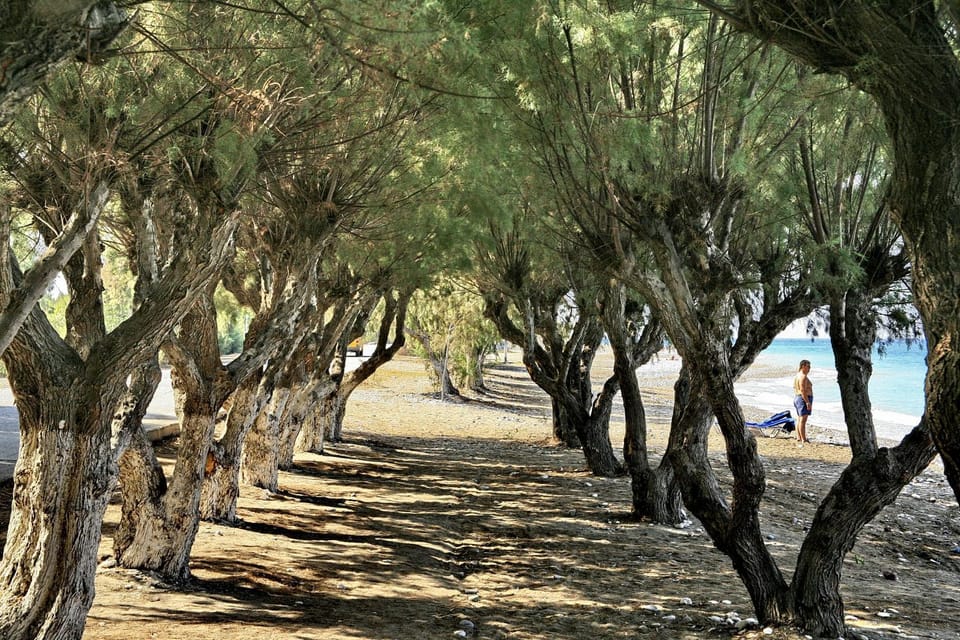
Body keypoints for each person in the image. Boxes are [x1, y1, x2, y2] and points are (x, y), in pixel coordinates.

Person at [793, 359, 813, 443]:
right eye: (808, 366)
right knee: (803, 420)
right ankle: (804, 439)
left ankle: (799, 437)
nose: (809, 368)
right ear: (803, 366)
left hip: (798, 398)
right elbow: (802, 390)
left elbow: (795, 388)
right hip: (803, 398)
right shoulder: (803, 377)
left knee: (799, 419)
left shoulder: (797, 375)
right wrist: (807, 402)